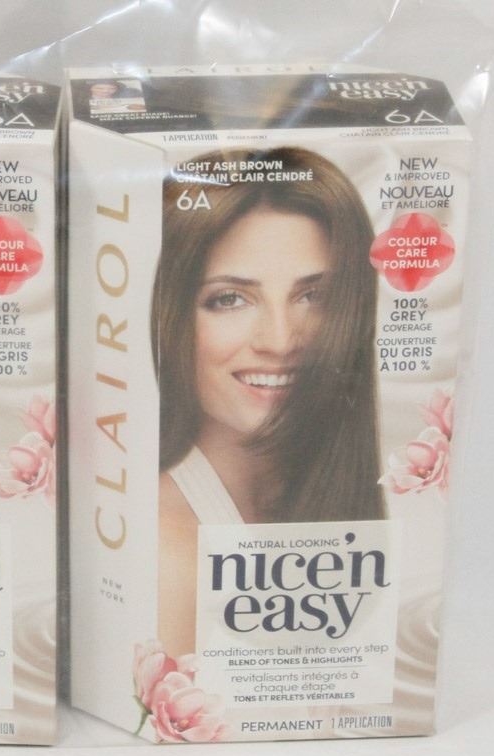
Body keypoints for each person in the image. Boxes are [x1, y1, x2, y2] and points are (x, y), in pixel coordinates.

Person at [152, 147, 385, 657]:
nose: (280, 341)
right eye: (229, 299)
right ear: (170, 317)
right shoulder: (169, 550)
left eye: (314, 296)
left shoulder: (352, 494)